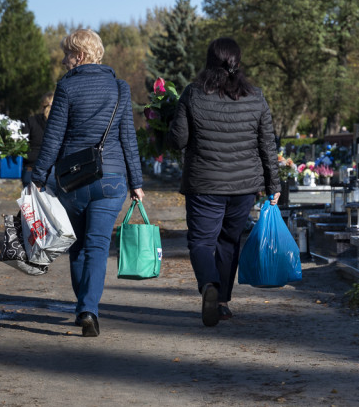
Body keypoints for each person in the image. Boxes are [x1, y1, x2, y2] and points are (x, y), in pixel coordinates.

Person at [31, 29, 144, 338]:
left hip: (74, 179)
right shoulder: (120, 88)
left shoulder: (66, 87)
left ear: (80, 56)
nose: (64, 61)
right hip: (112, 179)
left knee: (78, 246)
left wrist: (38, 178)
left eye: (67, 54)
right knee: (97, 245)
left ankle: (84, 306)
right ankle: (88, 308)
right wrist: (136, 182)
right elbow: (128, 137)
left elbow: (53, 139)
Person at [167, 37, 281, 327]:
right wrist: (274, 186)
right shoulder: (255, 97)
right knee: (229, 242)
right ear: (237, 62)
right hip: (244, 186)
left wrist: (169, 121)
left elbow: (178, 140)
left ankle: (209, 284)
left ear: (209, 62)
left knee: (201, 241)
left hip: (204, 183)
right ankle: (222, 303)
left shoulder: (193, 93)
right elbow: (267, 144)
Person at [21, 91, 54, 186]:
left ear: (41, 104)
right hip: (53, 170)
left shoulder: (31, 121)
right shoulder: (59, 123)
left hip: (31, 168)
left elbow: (22, 144)